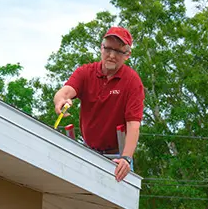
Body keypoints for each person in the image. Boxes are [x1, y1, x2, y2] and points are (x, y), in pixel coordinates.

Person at [53, 26, 145, 182]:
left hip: (117, 157)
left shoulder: (132, 81)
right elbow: (65, 92)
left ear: (127, 55)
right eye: (108, 49)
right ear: (101, 48)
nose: (111, 55)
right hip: (88, 151)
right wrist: (61, 100)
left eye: (118, 51)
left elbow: (133, 124)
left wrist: (126, 158)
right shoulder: (86, 72)